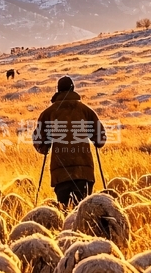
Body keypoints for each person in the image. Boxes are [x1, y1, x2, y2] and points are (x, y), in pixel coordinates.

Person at [32, 76, 106, 206]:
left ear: (58, 90)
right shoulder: (86, 111)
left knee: (65, 211)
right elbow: (100, 139)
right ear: (73, 89)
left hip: (60, 174)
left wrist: (45, 146)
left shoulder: (49, 113)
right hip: (84, 172)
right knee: (82, 213)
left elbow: (39, 141)